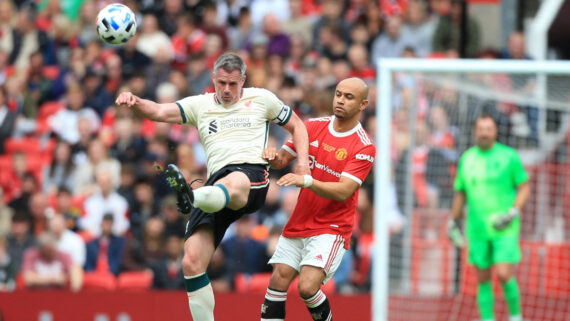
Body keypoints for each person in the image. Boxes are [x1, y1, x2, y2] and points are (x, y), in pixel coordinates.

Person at [115, 53, 309, 321]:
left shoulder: (262, 99)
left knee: (232, 181)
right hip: (215, 185)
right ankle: (195, 197)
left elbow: (298, 126)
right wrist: (135, 101)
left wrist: (301, 164)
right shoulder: (200, 105)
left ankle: (191, 197)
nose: (226, 90)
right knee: (191, 261)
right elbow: (159, 111)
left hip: (250, 174)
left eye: (232, 83)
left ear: (243, 80)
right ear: (213, 79)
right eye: (221, 83)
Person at [259, 77, 376, 321]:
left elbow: (344, 191)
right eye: (338, 94)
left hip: (331, 227)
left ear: (363, 104)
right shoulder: (311, 126)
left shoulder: (364, 146)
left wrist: (308, 181)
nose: (341, 100)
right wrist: (272, 157)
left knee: (307, 287)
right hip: (301, 219)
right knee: (278, 277)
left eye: (349, 97)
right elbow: (282, 160)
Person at [447, 114, 530, 321]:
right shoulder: (467, 158)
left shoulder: (509, 156)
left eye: (488, 129)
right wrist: (453, 220)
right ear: (475, 132)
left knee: (503, 273)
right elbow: (461, 193)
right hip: (477, 228)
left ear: (496, 132)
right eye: (481, 129)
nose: (484, 133)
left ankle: (516, 317)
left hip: (505, 226)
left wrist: (513, 211)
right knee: (483, 277)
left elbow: (524, 186)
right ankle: (487, 319)